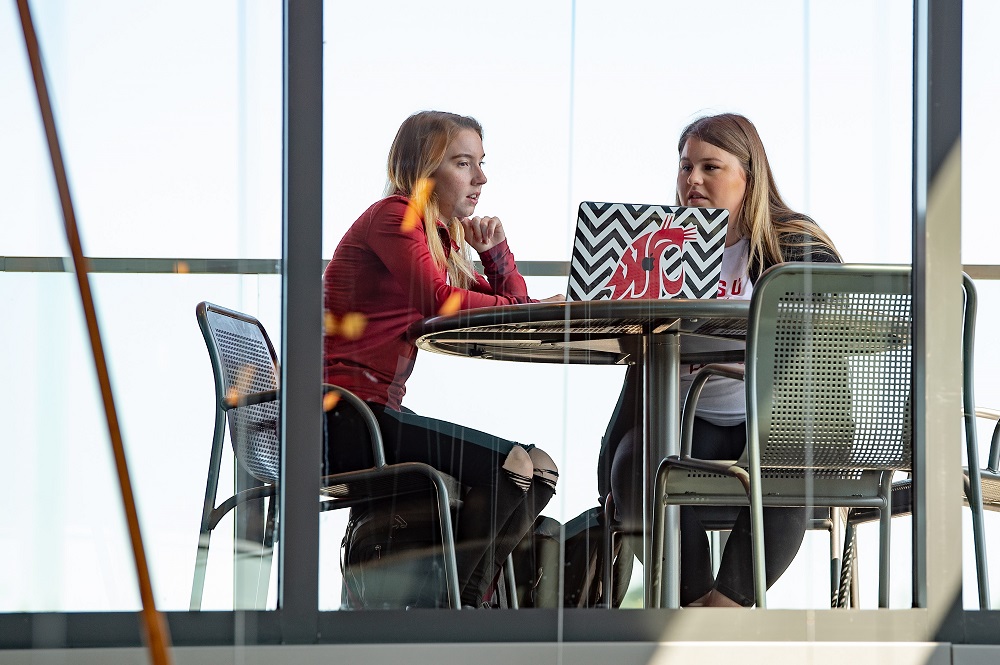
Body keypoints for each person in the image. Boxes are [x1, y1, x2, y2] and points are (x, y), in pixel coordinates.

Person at [598, 112, 843, 607]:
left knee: (785, 462)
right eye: (685, 166)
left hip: (771, 421)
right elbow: (628, 337)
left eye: (710, 167)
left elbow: (826, 324)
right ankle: (694, 603)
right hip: (689, 421)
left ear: (749, 178)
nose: (692, 179)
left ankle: (724, 608)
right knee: (634, 462)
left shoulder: (794, 241)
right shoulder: (658, 244)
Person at [322, 110, 563, 608]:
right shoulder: (395, 216)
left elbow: (510, 306)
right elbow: (440, 301)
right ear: (424, 170)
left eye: (481, 163)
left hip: (373, 414)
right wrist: (528, 307)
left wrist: (495, 252)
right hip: (342, 418)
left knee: (539, 468)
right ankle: (452, 608)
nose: (481, 178)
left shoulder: (437, 236)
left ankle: (466, 602)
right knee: (512, 466)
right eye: (463, 163)